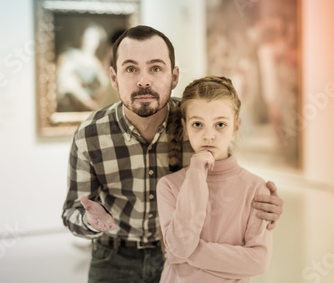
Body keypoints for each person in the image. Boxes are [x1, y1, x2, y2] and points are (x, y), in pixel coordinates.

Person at [62, 25, 284, 283]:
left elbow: (230, 194)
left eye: (155, 68)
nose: (144, 80)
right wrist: (89, 220)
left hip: (185, 264)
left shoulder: (198, 123)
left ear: (174, 76)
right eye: (131, 69)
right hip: (113, 257)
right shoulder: (90, 135)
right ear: (114, 78)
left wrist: (264, 209)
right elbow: (71, 211)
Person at [157, 76, 272, 282]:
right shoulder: (168, 186)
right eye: (198, 124)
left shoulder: (256, 189)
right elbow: (180, 244)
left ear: (236, 127)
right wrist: (196, 173)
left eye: (220, 124)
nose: (208, 135)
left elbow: (258, 261)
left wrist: (186, 254)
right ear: (185, 126)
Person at [56, 22, 110, 112]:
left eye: (91, 39)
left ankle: (94, 107)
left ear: (97, 42)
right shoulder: (71, 55)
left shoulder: (95, 62)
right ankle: (93, 107)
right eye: (86, 37)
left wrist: (97, 94)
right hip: (69, 97)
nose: (87, 41)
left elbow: (105, 83)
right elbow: (64, 79)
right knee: (70, 81)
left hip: (87, 97)